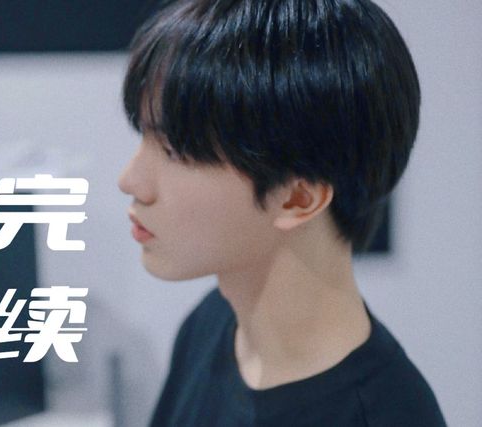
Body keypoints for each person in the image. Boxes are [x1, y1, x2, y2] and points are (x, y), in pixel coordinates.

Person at [117, 0, 447, 425]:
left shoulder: (383, 416)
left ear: (298, 199)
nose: (131, 181)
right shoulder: (211, 324)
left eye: (174, 151)